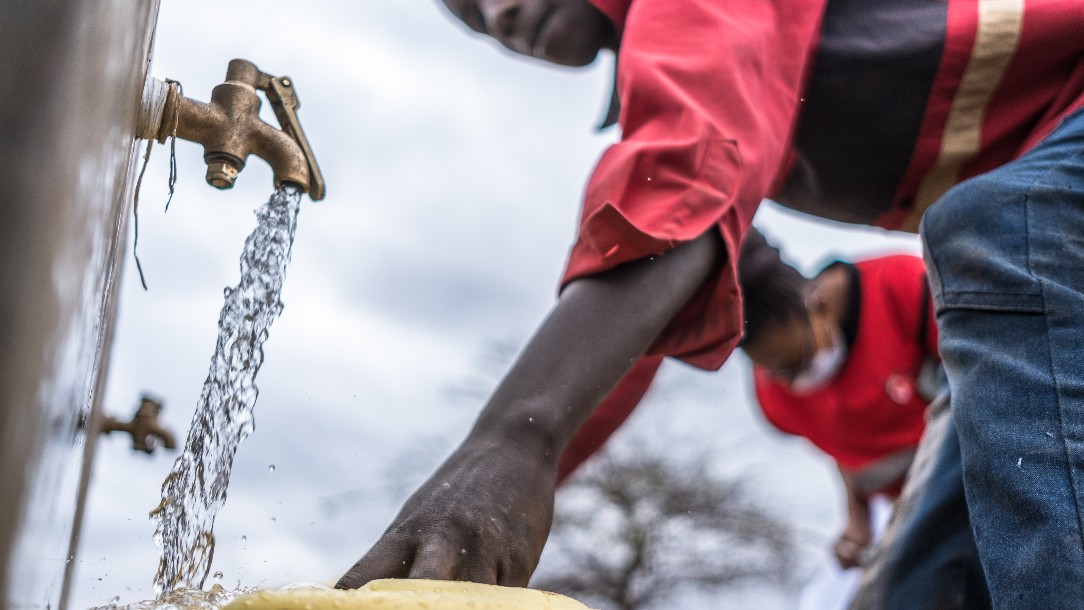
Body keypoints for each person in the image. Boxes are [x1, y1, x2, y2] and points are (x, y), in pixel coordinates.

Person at [337, 1, 1084, 606]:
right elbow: (633, 330)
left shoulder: (692, 23)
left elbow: (690, 171)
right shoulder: (673, 92)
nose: (496, 15)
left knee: (992, 230)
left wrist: (511, 443)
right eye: (473, 18)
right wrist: (496, 486)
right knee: (914, 580)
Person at [556, 227, 940, 572]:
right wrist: (858, 520)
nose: (792, 383)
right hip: (908, 516)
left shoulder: (905, 288)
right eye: (777, 371)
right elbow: (839, 450)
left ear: (817, 302)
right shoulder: (775, 396)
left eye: (798, 361)